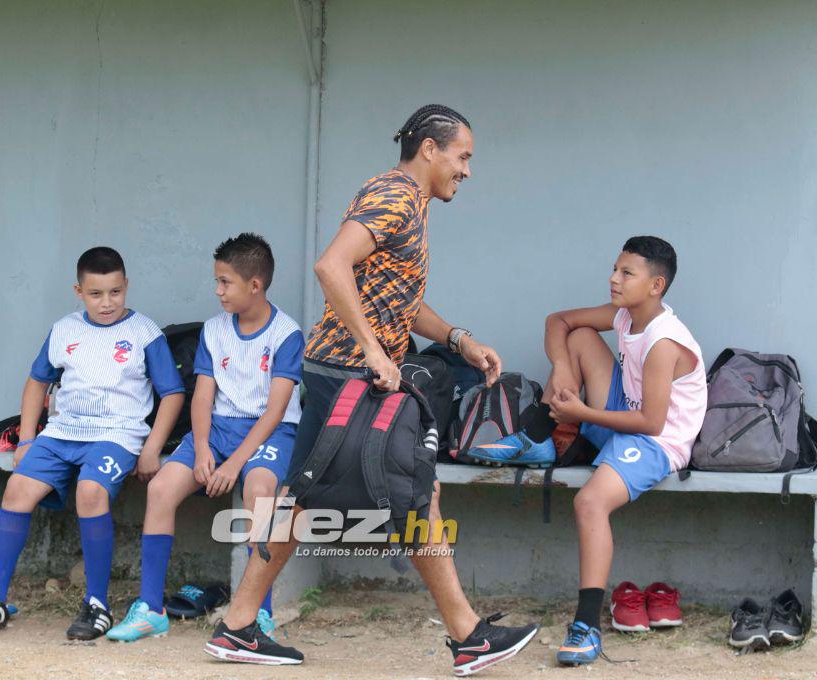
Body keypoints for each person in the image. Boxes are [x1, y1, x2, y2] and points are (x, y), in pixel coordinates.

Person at [203, 105, 540, 675]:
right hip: (349, 375)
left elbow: (395, 296)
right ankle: (467, 635)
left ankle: (237, 627)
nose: (467, 170)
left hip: (340, 370)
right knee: (415, 492)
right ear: (430, 150)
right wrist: (373, 351)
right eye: (463, 156)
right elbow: (331, 266)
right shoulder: (394, 195)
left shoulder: (407, 201)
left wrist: (458, 339)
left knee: (305, 500)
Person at [0, 246, 185, 640]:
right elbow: (36, 382)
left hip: (118, 433)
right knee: (17, 489)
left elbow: (173, 394)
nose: (106, 302)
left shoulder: (144, 333)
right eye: (96, 294)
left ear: (126, 286)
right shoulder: (65, 329)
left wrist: (151, 448)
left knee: (91, 491)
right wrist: (27, 438)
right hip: (63, 432)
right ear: (78, 291)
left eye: (115, 292)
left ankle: (96, 605)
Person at [513, 236, 705, 666]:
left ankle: (587, 627)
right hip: (623, 416)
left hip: (655, 442)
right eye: (615, 269)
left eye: (626, 273)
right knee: (578, 337)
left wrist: (581, 412)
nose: (613, 279)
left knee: (589, 503)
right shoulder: (624, 317)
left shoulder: (664, 341)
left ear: (656, 285)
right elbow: (557, 320)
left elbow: (652, 424)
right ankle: (539, 440)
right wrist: (564, 367)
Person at [106, 233, 304, 643]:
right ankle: (151, 610)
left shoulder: (286, 333)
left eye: (225, 282)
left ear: (255, 285)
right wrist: (200, 449)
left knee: (261, 488)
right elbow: (202, 397)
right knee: (160, 487)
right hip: (217, 430)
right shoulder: (214, 330)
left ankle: (257, 615)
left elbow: (276, 410)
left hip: (270, 430)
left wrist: (234, 464)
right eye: (217, 281)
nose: (217, 291)